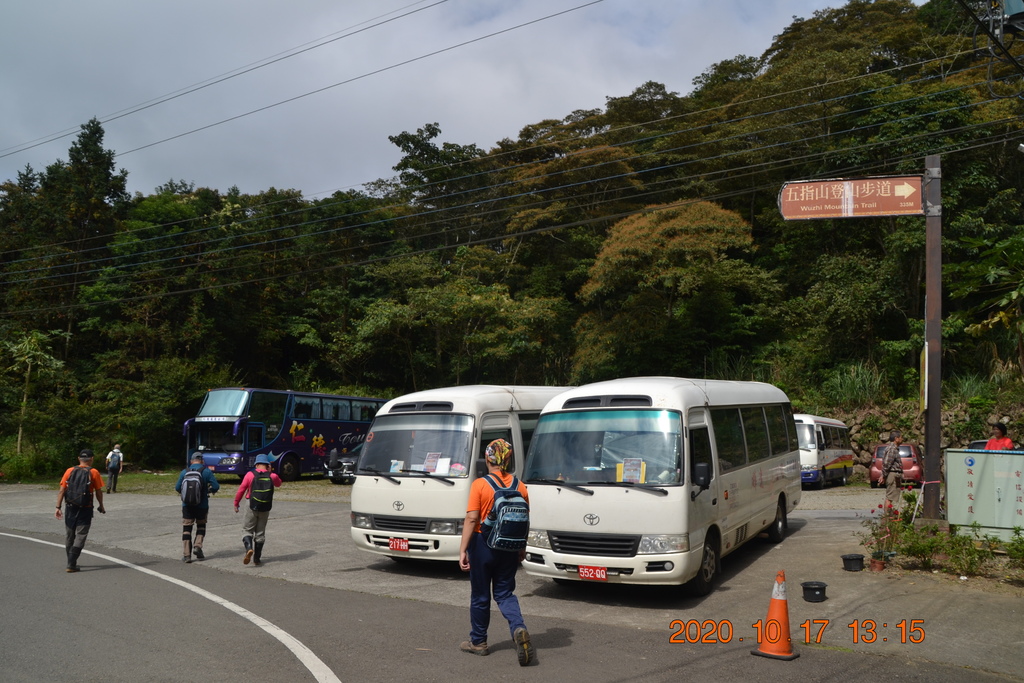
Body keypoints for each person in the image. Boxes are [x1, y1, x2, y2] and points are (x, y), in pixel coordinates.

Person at [458, 438, 535, 667]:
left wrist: (463, 549)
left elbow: (472, 518)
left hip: (483, 544)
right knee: (504, 593)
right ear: (508, 459)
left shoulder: (480, 485)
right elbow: (525, 519)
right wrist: (521, 547)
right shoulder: (520, 486)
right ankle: (518, 627)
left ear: (488, 458)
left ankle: (479, 643)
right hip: (509, 547)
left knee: (481, 595)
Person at [55, 449, 106, 572]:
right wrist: (101, 505)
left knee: (69, 534)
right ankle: (71, 563)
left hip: (70, 507)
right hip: (86, 508)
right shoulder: (94, 472)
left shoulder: (69, 471)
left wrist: (58, 507)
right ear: (91, 459)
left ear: (79, 459)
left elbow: (62, 490)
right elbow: (98, 491)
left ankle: (70, 561)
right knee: (81, 535)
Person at [233, 453, 282, 567]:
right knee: (260, 533)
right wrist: (270, 471)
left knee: (247, 529)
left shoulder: (250, 475)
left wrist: (236, 503)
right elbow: (279, 483)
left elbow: (241, 490)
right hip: (265, 506)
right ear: (267, 464)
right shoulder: (272, 476)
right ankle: (257, 559)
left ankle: (249, 548)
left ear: (256, 464)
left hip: (251, 504)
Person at [175, 452, 220, 563]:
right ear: (202, 461)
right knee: (201, 526)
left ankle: (186, 555)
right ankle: (197, 546)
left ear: (191, 461)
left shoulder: (184, 472)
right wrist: (209, 491)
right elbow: (216, 486)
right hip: (202, 504)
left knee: (187, 529)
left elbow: (177, 487)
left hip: (187, 505)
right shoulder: (206, 471)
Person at [880, 430, 904, 508]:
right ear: (896, 438)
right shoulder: (892, 449)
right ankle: (887, 517)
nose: (902, 439)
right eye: (901, 437)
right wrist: (883, 475)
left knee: (892, 497)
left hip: (894, 475)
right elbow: (887, 463)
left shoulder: (893, 448)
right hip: (893, 475)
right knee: (890, 497)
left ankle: (890, 515)